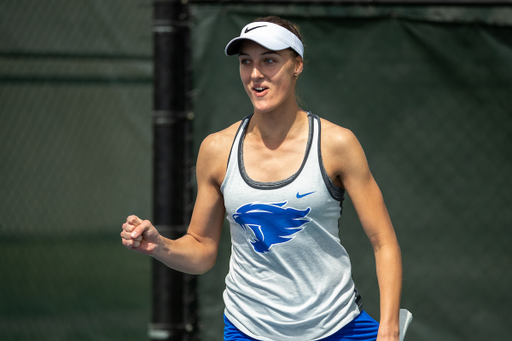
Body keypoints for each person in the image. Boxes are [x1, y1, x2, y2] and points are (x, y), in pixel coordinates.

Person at [121, 16, 402, 341]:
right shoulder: (216, 149)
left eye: (269, 60)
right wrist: (161, 246)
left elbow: (385, 243)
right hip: (249, 330)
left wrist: (389, 328)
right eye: (246, 62)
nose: (255, 74)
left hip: (339, 327)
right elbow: (202, 248)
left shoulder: (338, 144)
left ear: (296, 65)